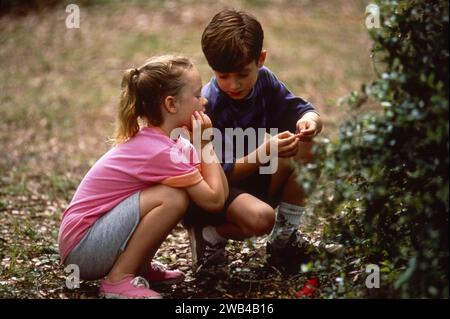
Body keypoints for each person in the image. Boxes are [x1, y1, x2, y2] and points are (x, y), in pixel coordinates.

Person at [58, 55, 228, 299]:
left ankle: (139, 267)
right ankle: (117, 281)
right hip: (82, 249)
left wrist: (203, 145)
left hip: (94, 241)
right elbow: (214, 200)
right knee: (172, 197)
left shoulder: (177, 144)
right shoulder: (160, 151)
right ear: (171, 104)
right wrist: (205, 145)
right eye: (197, 94)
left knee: (175, 195)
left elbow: (218, 190)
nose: (205, 100)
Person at [183, 8, 323, 273]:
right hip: (218, 193)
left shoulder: (265, 81)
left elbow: (302, 110)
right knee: (261, 219)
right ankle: (210, 235)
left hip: (254, 178)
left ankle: (285, 240)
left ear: (260, 59)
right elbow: (214, 175)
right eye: (223, 76)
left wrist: (310, 122)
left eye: (241, 74)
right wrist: (265, 152)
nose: (233, 84)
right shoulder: (208, 104)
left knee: (310, 145)